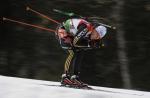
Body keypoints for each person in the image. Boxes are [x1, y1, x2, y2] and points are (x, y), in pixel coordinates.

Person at [55, 18, 107, 87]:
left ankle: (75, 77)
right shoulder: (86, 28)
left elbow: (81, 43)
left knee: (80, 52)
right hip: (62, 30)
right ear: (94, 29)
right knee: (73, 52)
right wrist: (90, 44)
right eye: (96, 34)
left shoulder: (91, 32)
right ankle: (65, 77)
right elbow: (75, 43)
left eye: (98, 37)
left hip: (71, 34)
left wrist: (91, 45)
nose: (95, 37)